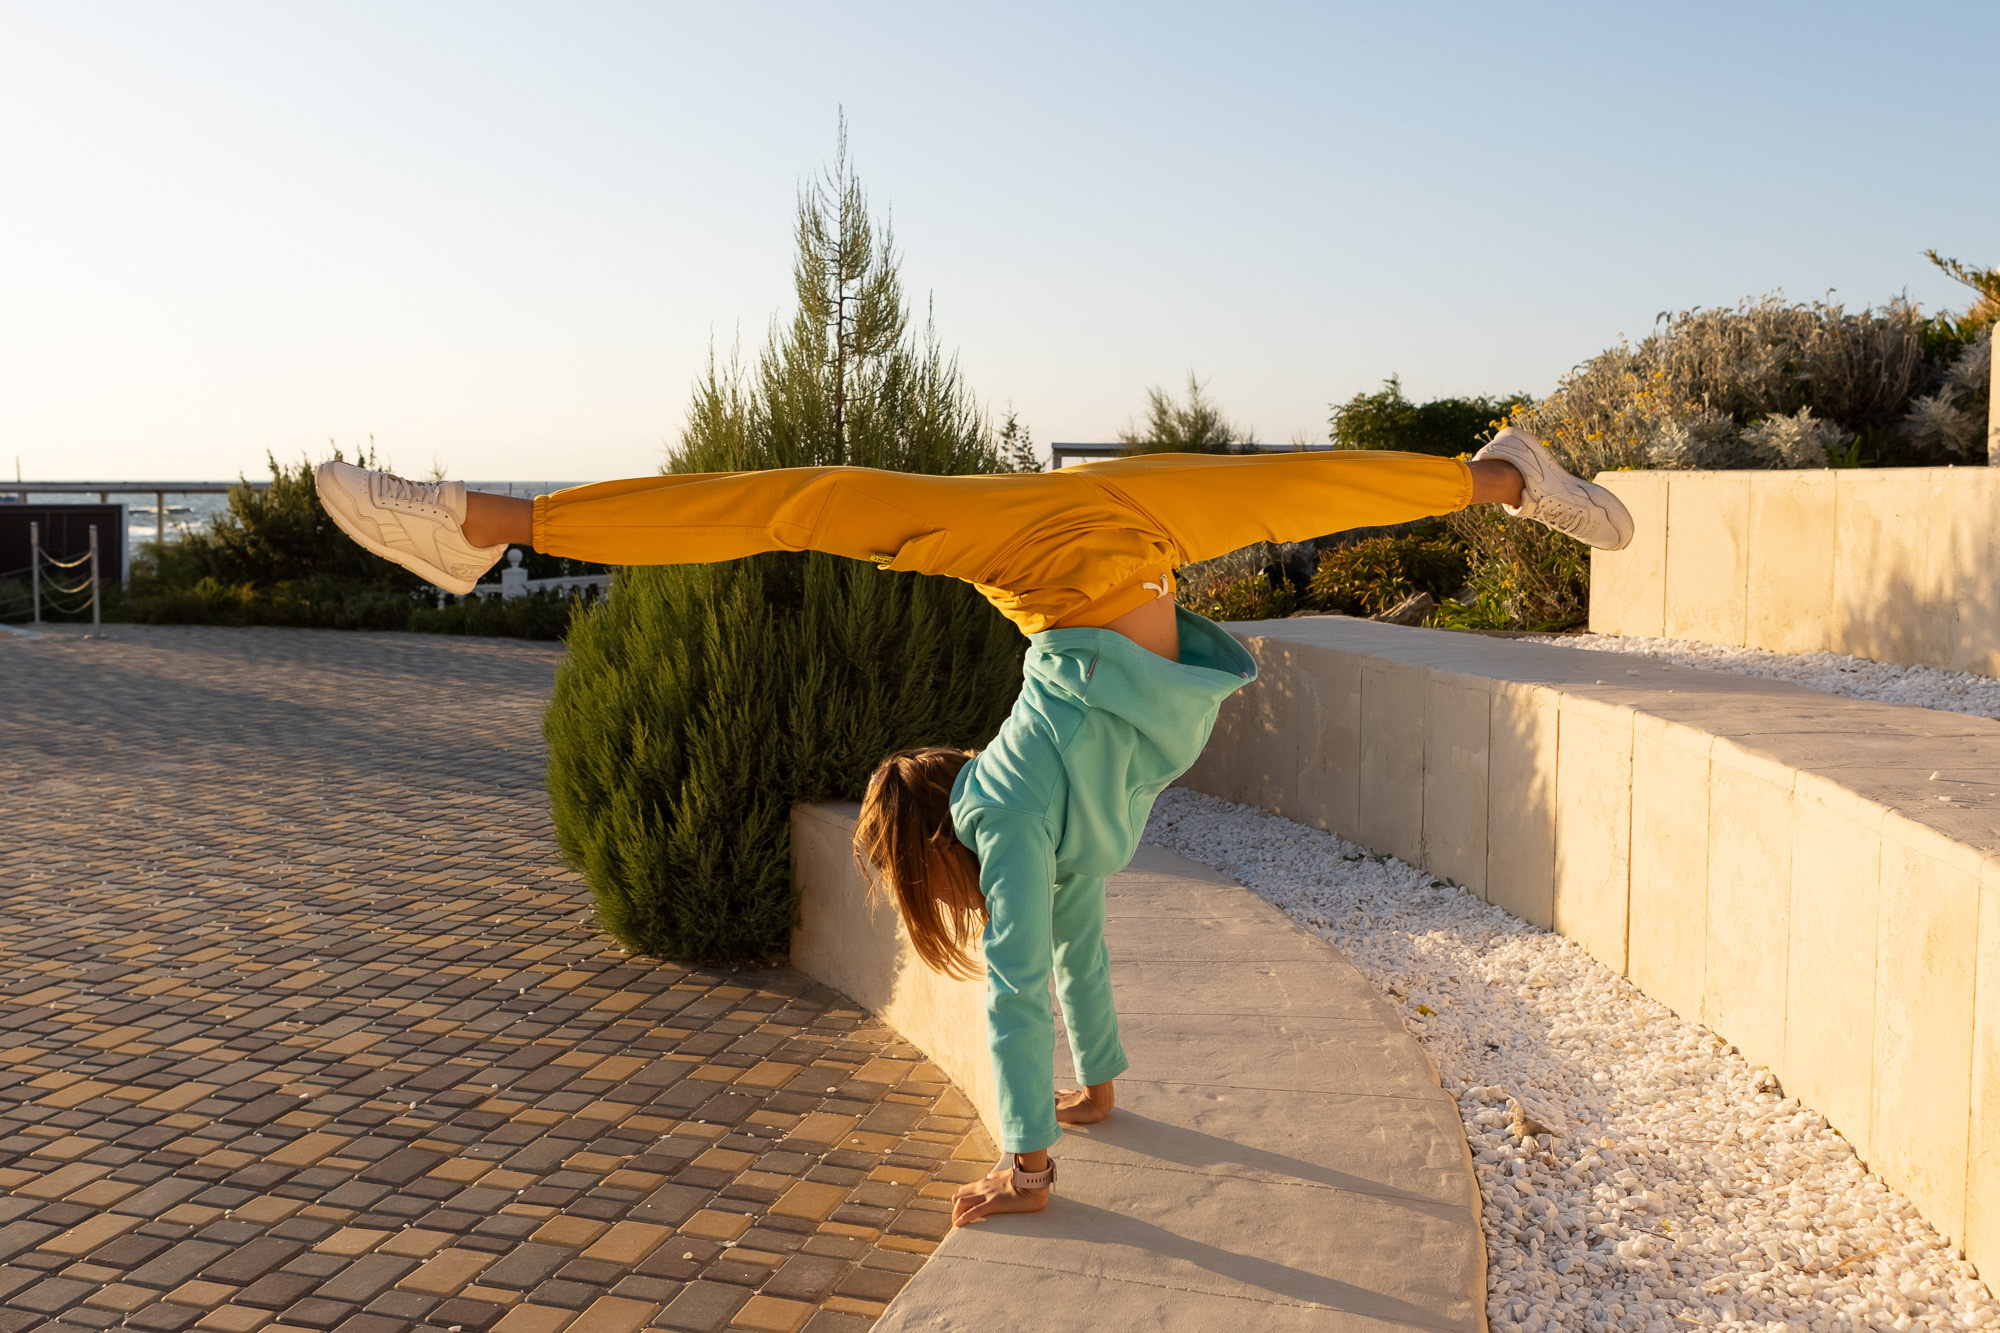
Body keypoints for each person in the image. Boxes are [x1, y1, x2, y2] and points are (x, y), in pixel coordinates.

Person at [314, 432, 1632, 1228]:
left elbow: (1069, 956)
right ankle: (490, 525)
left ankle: (1506, 475)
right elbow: (1012, 990)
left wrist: (1097, 1082)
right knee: (811, 501)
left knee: (1286, 490)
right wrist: (1021, 1157)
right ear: (944, 798)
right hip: (1085, 570)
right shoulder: (1008, 809)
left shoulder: (1049, 840)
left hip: (1094, 594)